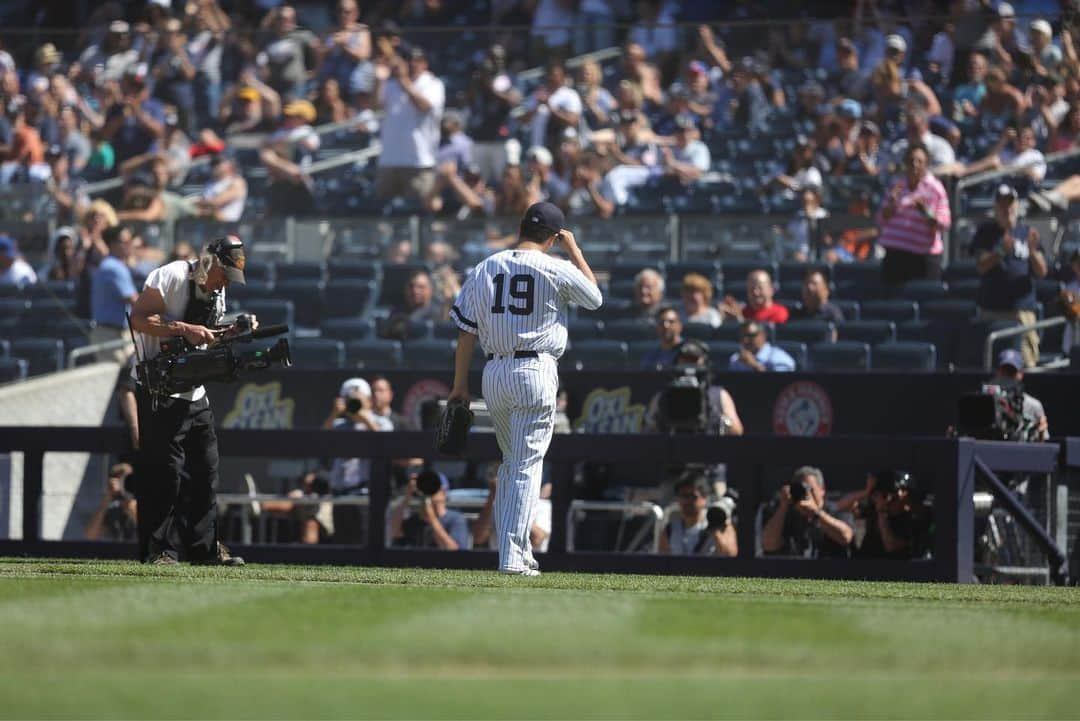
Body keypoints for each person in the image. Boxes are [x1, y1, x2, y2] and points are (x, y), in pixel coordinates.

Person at [448, 201, 602, 576]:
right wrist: (575, 250)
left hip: (494, 371)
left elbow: (465, 330)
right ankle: (513, 558)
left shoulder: (487, 266)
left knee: (511, 465)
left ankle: (513, 554)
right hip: (534, 368)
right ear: (554, 237)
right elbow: (595, 298)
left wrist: (458, 386)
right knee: (525, 466)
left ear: (520, 228)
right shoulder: (556, 265)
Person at [128, 236, 251, 566]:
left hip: (194, 392)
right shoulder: (169, 276)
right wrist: (183, 328)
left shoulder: (217, 292)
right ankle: (160, 552)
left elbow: (205, 339)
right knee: (164, 475)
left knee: (205, 472)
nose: (225, 282)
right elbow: (139, 318)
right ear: (210, 262)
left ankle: (204, 550)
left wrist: (233, 332)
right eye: (223, 274)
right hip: (160, 392)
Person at [971, 184, 1048, 368]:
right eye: (1002, 205)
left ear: (1017, 206)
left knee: (1026, 366)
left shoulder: (1027, 233)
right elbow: (981, 266)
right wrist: (1000, 251)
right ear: (995, 208)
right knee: (991, 366)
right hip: (992, 312)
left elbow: (1042, 271)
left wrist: (1032, 251)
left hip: (1021, 313)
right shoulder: (986, 233)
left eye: (1010, 204)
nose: (1007, 209)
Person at [323, 377, 392, 543]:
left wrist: (364, 418)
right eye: (350, 400)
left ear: (369, 400)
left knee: (366, 542)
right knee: (342, 543)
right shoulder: (338, 425)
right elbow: (321, 442)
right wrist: (334, 414)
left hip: (366, 495)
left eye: (358, 400)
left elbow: (385, 444)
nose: (354, 404)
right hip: (340, 493)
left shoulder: (382, 423)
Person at [375, 46, 445, 205]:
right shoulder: (391, 85)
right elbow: (375, 107)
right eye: (409, 60)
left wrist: (403, 80)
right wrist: (379, 79)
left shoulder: (432, 84)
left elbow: (423, 106)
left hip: (419, 162)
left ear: (424, 64)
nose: (413, 64)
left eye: (417, 60)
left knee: (419, 214)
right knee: (382, 215)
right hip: (389, 161)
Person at [877, 144, 951, 288]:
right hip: (895, 257)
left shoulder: (935, 189)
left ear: (927, 164)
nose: (914, 165)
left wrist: (925, 212)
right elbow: (880, 219)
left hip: (922, 259)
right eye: (911, 161)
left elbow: (944, 223)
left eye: (919, 161)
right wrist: (891, 204)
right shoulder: (896, 186)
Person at [644, 340, 744, 436]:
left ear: (704, 362)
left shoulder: (719, 394)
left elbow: (737, 431)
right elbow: (647, 432)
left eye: (693, 359)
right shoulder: (662, 396)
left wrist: (718, 417)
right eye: (685, 359)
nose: (689, 364)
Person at [761, 466, 855, 558]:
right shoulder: (789, 513)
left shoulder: (836, 509)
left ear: (822, 490)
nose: (806, 494)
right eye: (801, 490)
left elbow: (846, 537)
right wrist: (783, 506)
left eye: (810, 490)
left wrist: (816, 513)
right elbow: (768, 545)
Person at [838, 470, 932, 560]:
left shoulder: (912, 518)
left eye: (894, 497)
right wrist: (867, 492)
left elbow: (891, 546)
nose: (889, 500)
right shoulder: (875, 508)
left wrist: (881, 512)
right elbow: (841, 506)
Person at [657, 473, 738, 556]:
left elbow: (730, 555)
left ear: (705, 497)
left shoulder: (721, 523)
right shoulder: (670, 529)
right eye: (683, 496)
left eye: (692, 496)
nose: (687, 501)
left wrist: (716, 532)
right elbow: (663, 561)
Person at [90, 225, 138, 364]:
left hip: (120, 334)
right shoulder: (113, 267)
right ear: (112, 245)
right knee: (115, 382)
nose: (130, 245)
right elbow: (134, 300)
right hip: (109, 334)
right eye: (125, 242)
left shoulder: (116, 265)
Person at [389, 468, 471, 550]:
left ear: (444, 492)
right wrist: (407, 496)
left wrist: (432, 518)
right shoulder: (414, 520)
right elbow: (392, 532)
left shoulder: (455, 519)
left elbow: (454, 551)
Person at [989, 349, 1049, 441]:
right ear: (998, 372)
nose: (1007, 376)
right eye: (1004, 372)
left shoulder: (1033, 405)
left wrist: (1040, 432)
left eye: (1012, 372)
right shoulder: (986, 401)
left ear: (1020, 374)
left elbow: (1043, 442)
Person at [85, 463, 138, 542]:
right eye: (121, 481)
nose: (125, 485)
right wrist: (106, 499)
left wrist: (134, 512)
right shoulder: (112, 511)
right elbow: (90, 535)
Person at [721, 269, 789, 325]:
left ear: (771, 290)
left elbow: (764, 335)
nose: (755, 292)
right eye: (751, 289)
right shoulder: (743, 312)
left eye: (760, 288)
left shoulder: (779, 312)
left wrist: (740, 320)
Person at [196, 154, 247, 223]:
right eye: (213, 164)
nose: (214, 166)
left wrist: (197, 203)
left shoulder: (236, 182)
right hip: (208, 223)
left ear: (229, 165)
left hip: (228, 224)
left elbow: (216, 202)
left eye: (218, 163)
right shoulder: (209, 183)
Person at [729, 320, 796, 373]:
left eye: (750, 335)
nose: (745, 340)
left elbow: (781, 385)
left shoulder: (780, 358)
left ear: (763, 336)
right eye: (742, 336)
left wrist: (754, 365)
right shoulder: (736, 359)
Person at [639, 305, 684, 370]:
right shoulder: (651, 356)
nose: (666, 326)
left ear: (680, 326)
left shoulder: (689, 351)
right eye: (661, 322)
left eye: (671, 322)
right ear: (657, 327)